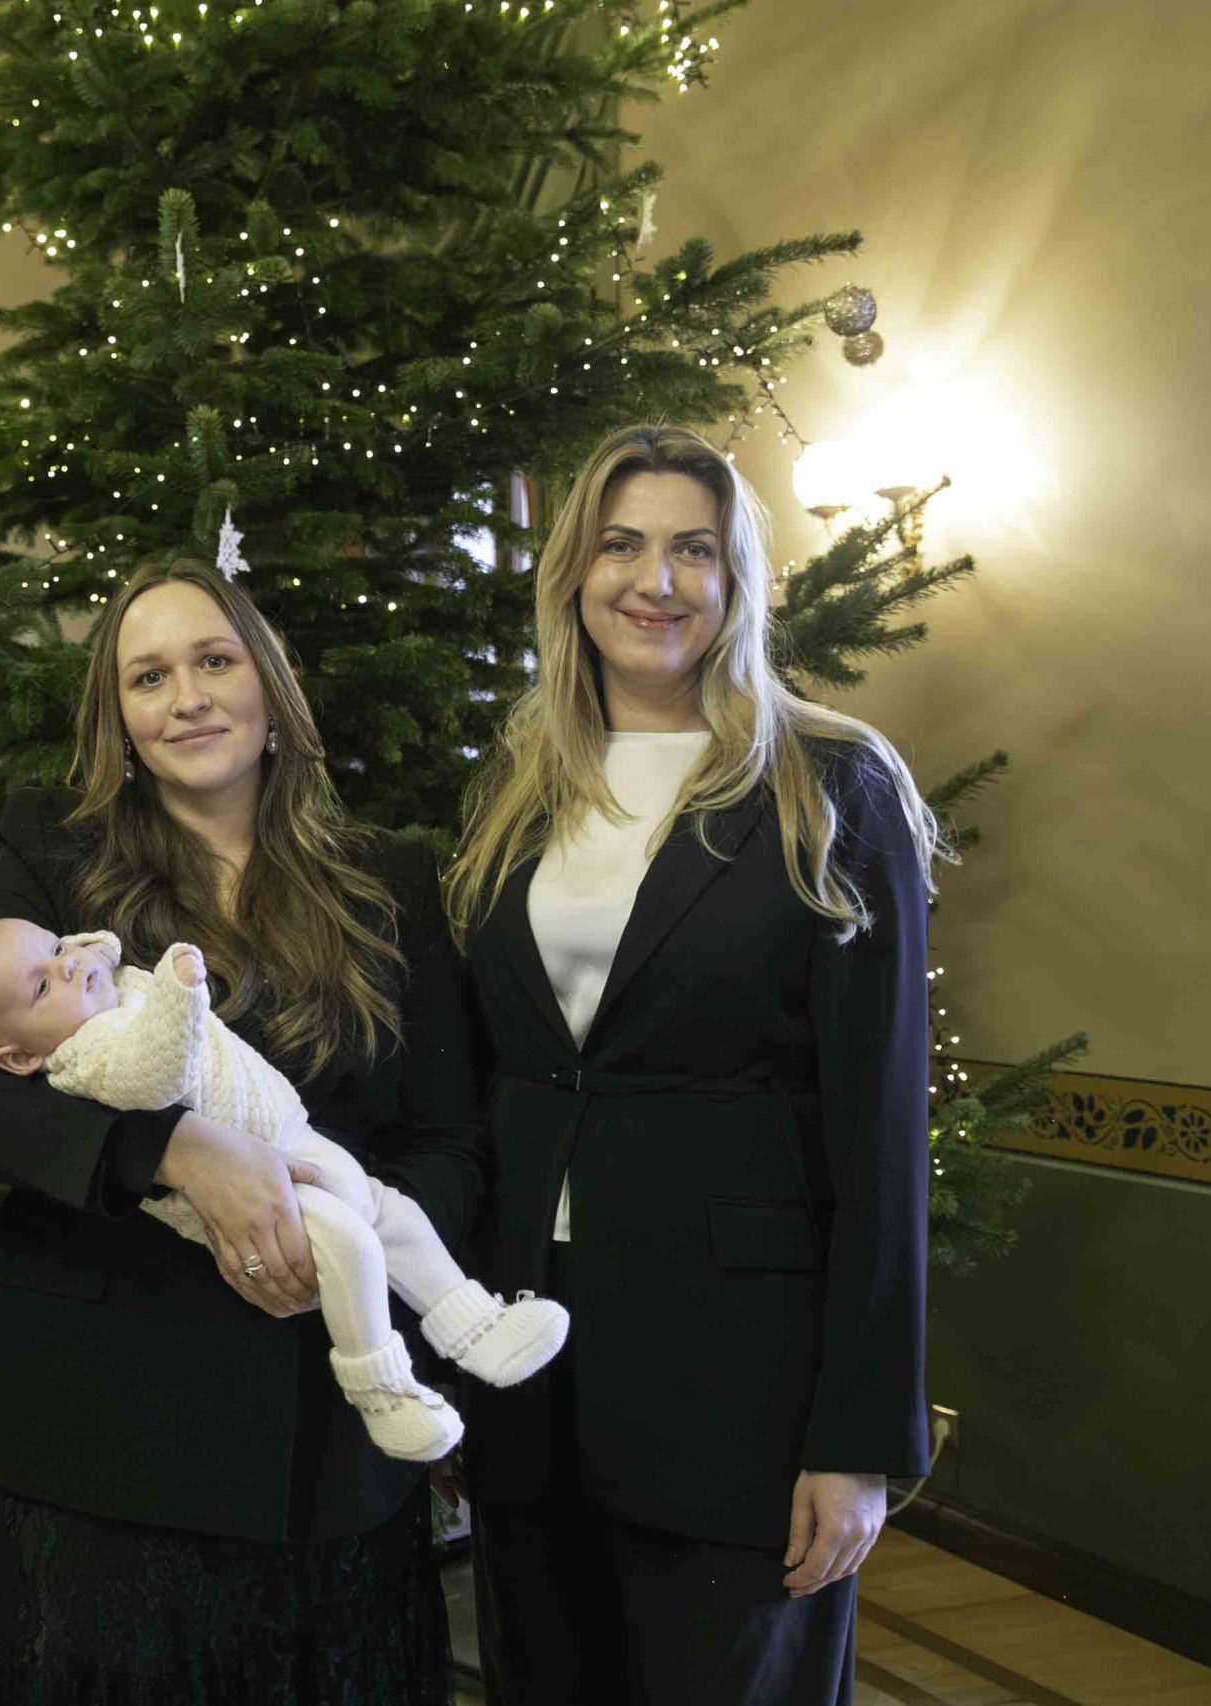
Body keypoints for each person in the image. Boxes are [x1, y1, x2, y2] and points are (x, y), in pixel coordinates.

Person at [0, 557, 483, 1704]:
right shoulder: (55, 857)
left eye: (214, 660)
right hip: (104, 1424)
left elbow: (454, 1134)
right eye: (148, 675)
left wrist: (358, 1243)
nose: (187, 697)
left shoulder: (391, 876)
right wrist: (167, 1149)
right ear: (117, 717)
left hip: (324, 1420)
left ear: (269, 683)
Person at [445, 424, 937, 1703]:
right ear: (574, 573)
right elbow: (484, 1084)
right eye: (620, 544)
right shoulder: (512, 787)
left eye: (692, 550)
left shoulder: (827, 783)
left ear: (736, 580)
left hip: (737, 1374)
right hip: (526, 1358)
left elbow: (880, 1130)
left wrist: (858, 1439)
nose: (653, 580)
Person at [0, 920, 564, 1460]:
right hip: (264, 1187)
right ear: (20, 1059)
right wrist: (179, 993)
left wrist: (87, 953)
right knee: (351, 1244)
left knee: (388, 1211)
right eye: (42, 986)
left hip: (289, 1134)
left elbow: (94, 951)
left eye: (56, 948)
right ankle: (382, 1390)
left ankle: (474, 1324)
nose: (66, 967)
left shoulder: (100, 986)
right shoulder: (86, 1054)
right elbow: (153, 1075)